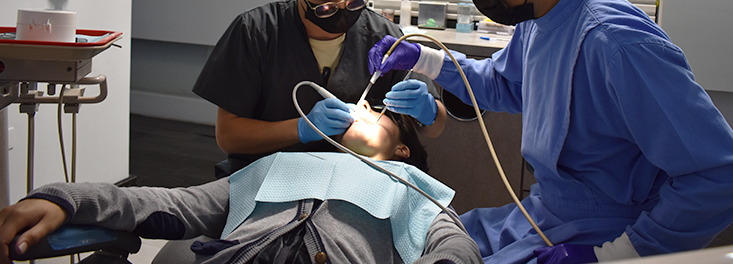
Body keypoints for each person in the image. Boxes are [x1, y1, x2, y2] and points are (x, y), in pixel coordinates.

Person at [368, 0, 733, 264]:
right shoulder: (541, 17)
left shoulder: (618, 45)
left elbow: (722, 175)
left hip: (605, 233)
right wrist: (422, 58)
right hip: (543, 213)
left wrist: (617, 254)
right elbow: (506, 84)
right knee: (423, 238)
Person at [0, 106, 480, 264]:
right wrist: (64, 199)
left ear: (401, 150)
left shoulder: (411, 186)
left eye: (373, 113)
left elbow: (454, 246)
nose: (357, 109)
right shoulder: (279, 167)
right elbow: (175, 204)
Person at [192, 0, 447, 178]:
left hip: (353, 185)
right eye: (325, 1)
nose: (342, 9)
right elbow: (229, 137)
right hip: (265, 180)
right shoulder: (256, 32)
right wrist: (302, 128)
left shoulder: (384, 37)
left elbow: (435, 126)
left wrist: (428, 110)